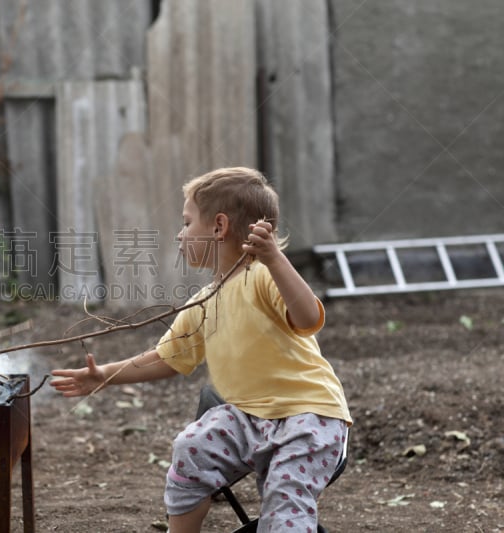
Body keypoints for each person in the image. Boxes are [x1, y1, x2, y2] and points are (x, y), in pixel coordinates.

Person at [50, 167, 352, 533]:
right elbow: (166, 358)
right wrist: (105, 375)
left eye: (187, 221)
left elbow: (307, 318)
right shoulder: (202, 303)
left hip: (308, 417)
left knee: (284, 503)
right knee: (191, 446)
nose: (180, 234)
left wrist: (275, 259)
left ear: (218, 227)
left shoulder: (262, 275)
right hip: (247, 418)